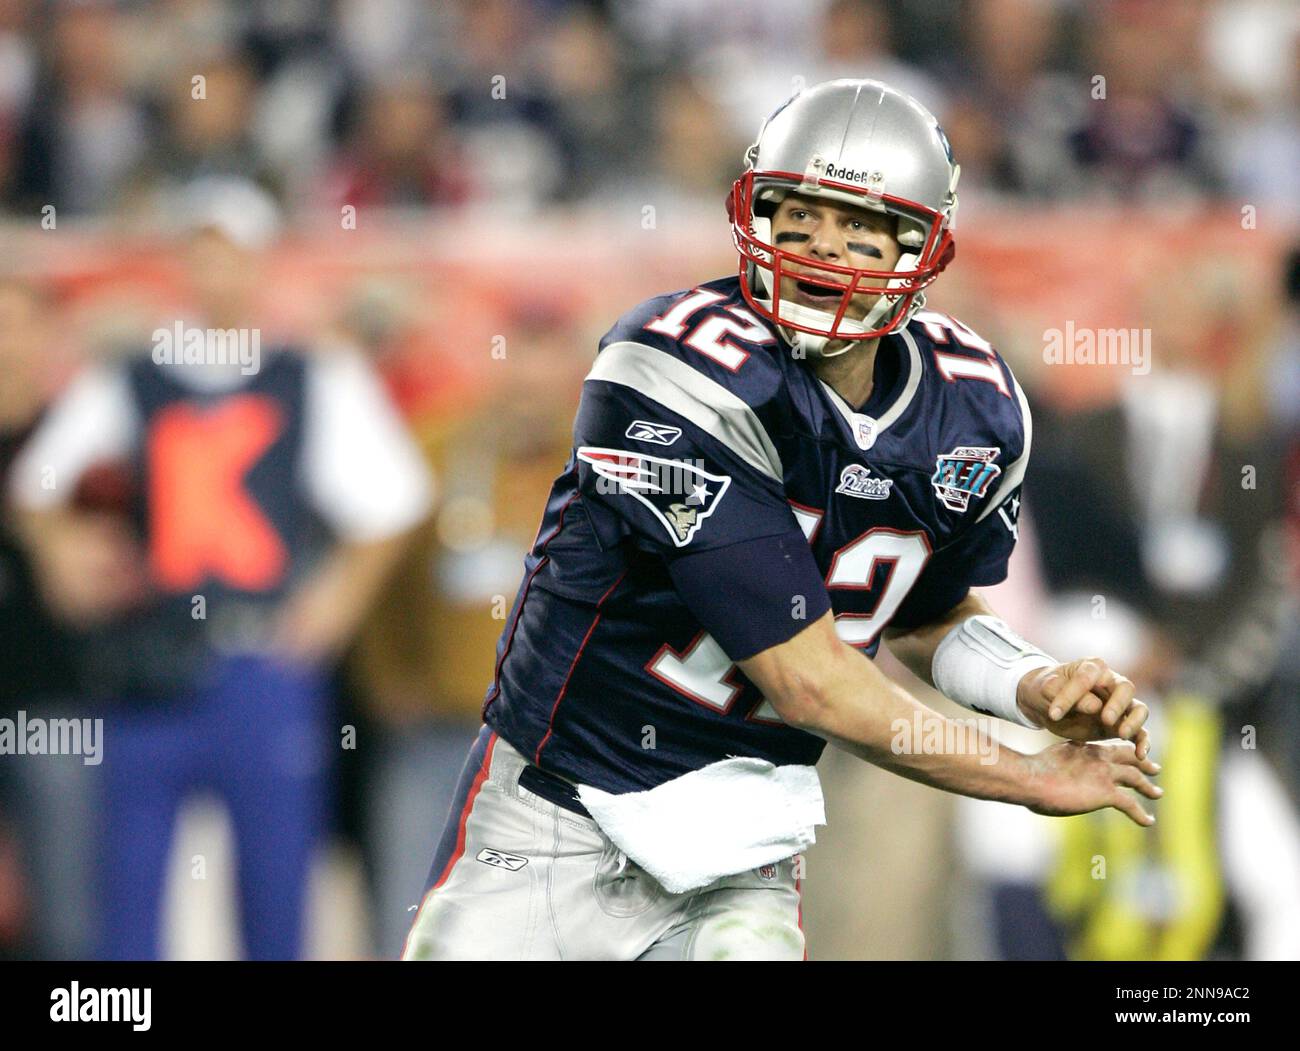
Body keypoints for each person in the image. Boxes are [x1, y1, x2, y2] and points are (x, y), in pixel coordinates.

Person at [402, 79, 1158, 962]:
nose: (817, 247)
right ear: (755, 212)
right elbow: (809, 680)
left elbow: (918, 608)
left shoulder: (973, 406)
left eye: (855, 225)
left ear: (920, 247)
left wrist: (1031, 685)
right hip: (555, 816)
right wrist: (1024, 772)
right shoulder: (672, 369)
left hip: (746, 841)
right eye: (796, 213)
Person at [8, 178, 433, 959]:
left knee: (276, 892)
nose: (216, 275)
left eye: (231, 255)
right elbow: (34, 485)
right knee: (125, 896)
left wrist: (337, 598)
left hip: (259, 662)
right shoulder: (130, 374)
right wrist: (57, 546)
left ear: (262, 264)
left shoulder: (314, 374)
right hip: (147, 664)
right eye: (201, 254)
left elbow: (396, 497)